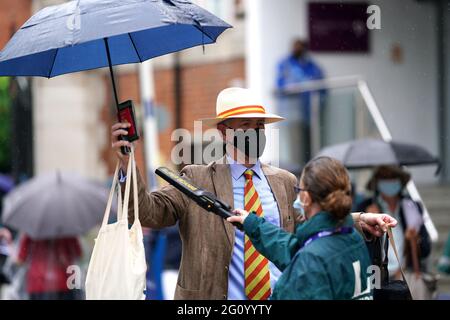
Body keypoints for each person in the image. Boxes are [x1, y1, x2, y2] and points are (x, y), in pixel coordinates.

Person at [111, 87, 396, 300]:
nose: (256, 132)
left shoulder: (284, 180)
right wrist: (127, 162)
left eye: (259, 126)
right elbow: (145, 212)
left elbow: (307, 225)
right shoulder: (195, 178)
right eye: (246, 125)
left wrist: (359, 220)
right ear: (224, 132)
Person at [227, 157, 392, 299]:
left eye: (299, 190)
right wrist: (253, 224)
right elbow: (294, 249)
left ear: (306, 197)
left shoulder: (311, 259)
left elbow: (305, 259)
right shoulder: (351, 238)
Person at [357, 166, 431, 286]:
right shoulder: (365, 208)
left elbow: (426, 249)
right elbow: (358, 247)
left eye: (393, 177)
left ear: (400, 181)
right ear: (377, 182)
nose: (389, 181)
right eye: (385, 178)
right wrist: (367, 223)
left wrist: (414, 238)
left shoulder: (411, 207)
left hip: (406, 277)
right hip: (376, 277)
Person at [276, 39, 325, 163]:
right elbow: (280, 86)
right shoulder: (286, 65)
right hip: (293, 116)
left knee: (312, 148)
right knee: (296, 152)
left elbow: (321, 87)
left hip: (311, 114)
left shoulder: (311, 66)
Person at [16, 234, 82, 300]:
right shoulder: (67, 230)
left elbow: (21, 259)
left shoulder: (31, 231)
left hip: (37, 282)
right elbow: (78, 253)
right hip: (62, 281)